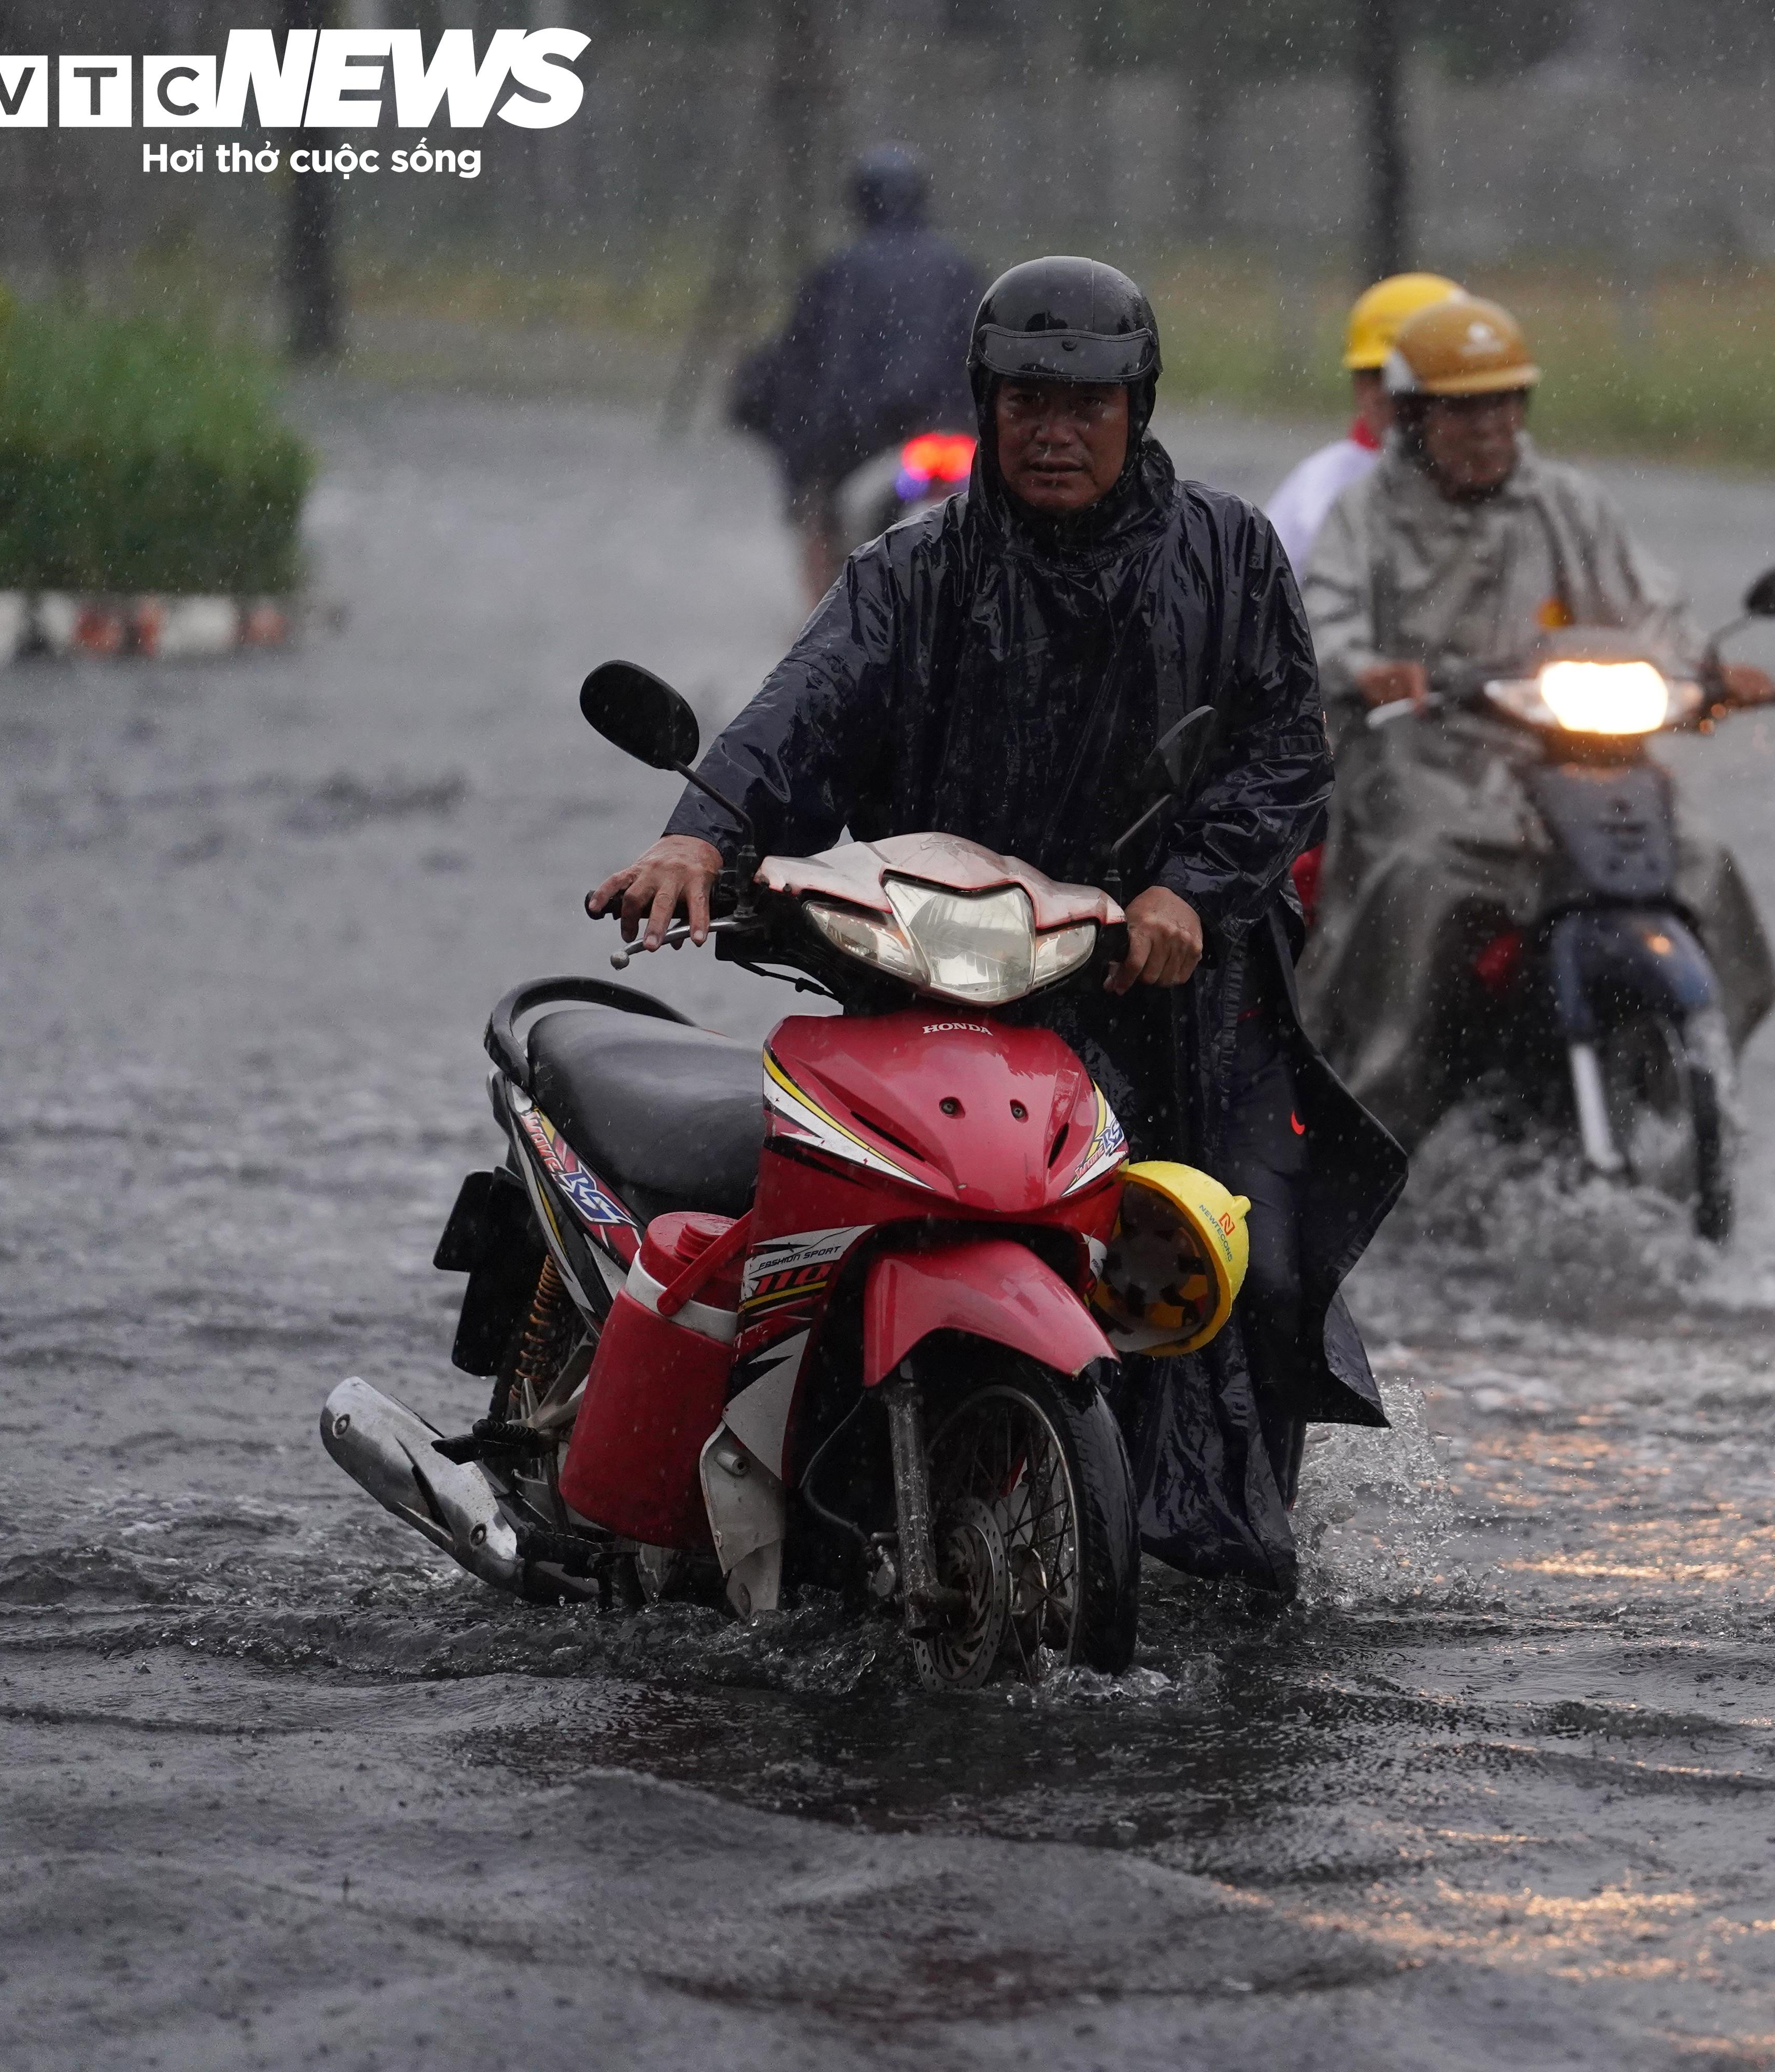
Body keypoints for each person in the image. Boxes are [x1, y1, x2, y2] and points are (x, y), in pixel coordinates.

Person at [597, 256, 1406, 1598]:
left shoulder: (1228, 554)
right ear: (986, 403)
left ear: (1137, 410)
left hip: (1177, 990)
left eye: (1088, 403)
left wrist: (1190, 893)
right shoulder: (909, 575)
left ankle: (1222, 1545)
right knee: (834, 1232)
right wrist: (703, 831)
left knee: (1241, 1272)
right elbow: (799, 710)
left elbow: (1282, 754)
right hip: (948, 987)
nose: (1056, 428)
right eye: (1028, 399)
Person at [1293, 291, 1775, 1149]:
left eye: (1506, 402)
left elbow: (1650, 607)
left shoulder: (1571, 504)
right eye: (1465, 406)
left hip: (1575, 761)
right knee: (1421, 876)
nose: (1491, 426)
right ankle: (1370, 1112)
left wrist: (1708, 672)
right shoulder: (1364, 515)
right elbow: (1322, 618)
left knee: (1702, 860)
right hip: (1423, 762)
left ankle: (1705, 1078)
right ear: (1413, 415)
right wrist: (1366, 669)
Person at [728, 146, 986, 607]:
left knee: (817, 507)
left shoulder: (838, 271)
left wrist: (764, 402)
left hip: (859, 439)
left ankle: (821, 625)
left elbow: (798, 362)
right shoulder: (960, 268)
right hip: (954, 428)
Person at [1263, 271, 1461, 575]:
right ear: (1356, 383)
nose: (1389, 394)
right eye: (1375, 374)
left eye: (1411, 378)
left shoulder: (1521, 496)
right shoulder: (1316, 490)